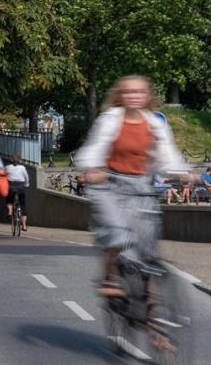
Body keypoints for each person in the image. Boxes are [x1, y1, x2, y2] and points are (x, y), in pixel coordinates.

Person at [77, 75, 188, 305]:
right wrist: (93, 168)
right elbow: (95, 148)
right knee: (118, 234)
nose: (134, 96)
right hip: (110, 184)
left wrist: (183, 173)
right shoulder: (109, 120)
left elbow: (167, 154)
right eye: (128, 92)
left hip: (141, 186)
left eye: (139, 92)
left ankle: (156, 325)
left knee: (148, 253)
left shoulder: (154, 123)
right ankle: (109, 279)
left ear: (147, 96)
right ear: (121, 96)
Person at [5, 155, 30, 231]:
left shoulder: (7, 167)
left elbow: (4, 176)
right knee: (23, 206)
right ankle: (24, 225)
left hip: (11, 186)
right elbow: (26, 177)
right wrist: (27, 184)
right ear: (20, 161)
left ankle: (10, 212)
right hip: (21, 186)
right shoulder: (22, 168)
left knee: (9, 201)